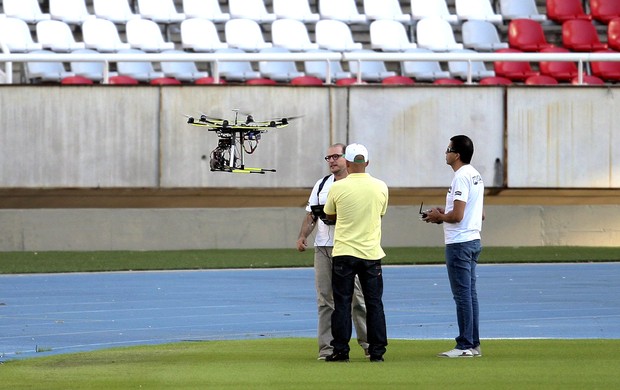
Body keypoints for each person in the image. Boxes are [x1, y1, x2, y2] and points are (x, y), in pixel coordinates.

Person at [296, 143, 369, 360]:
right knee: (325, 299)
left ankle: (368, 344)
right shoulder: (322, 184)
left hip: (348, 246)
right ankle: (327, 349)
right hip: (323, 247)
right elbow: (311, 215)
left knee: (357, 299)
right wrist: (302, 236)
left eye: (335, 156)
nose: (331, 161)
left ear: (347, 158)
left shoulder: (357, 183)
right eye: (328, 158)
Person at [323, 143, 389, 363]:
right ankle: (377, 351)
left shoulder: (338, 187)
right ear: (367, 162)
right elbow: (380, 213)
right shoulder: (381, 186)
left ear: (348, 163)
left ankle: (341, 350)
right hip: (371, 252)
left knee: (341, 303)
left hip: (344, 251)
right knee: (374, 303)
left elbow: (330, 214)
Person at [423, 135, 484, 358]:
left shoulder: (460, 177)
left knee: (462, 295)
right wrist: (444, 212)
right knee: (470, 294)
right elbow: (478, 212)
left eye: (448, 149)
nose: (445, 152)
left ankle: (465, 344)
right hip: (473, 239)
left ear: (456, 154)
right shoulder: (475, 175)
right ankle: (473, 343)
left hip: (459, 242)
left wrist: (439, 217)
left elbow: (457, 216)